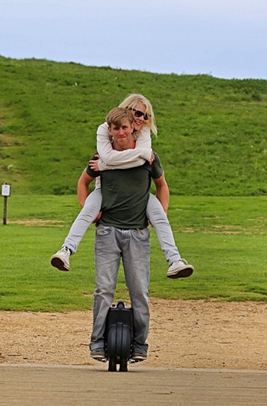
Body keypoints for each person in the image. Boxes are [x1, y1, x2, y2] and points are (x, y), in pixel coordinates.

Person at [50, 94, 194, 279]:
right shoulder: (107, 136)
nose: (142, 119)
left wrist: (161, 211)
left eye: (146, 116)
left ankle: (174, 260)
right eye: (139, 113)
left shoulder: (144, 140)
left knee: (160, 216)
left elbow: (162, 184)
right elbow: (87, 177)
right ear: (127, 111)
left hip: (139, 196)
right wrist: (103, 167)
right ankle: (66, 250)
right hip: (106, 192)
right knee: (86, 212)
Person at [79, 107, 165, 362]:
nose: (121, 131)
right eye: (115, 128)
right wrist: (89, 210)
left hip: (137, 233)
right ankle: (96, 342)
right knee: (103, 288)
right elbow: (83, 182)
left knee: (139, 291)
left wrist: (157, 216)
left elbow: (162, 186)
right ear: (110, 130)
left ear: (132, 128)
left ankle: (140, 344)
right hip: (107, 232)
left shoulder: (148, 157)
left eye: (125, 127)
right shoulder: (102, 157)